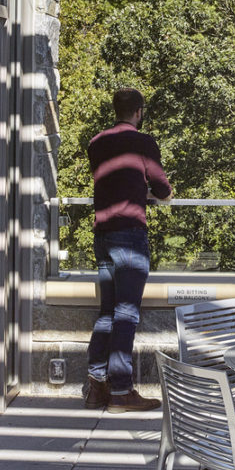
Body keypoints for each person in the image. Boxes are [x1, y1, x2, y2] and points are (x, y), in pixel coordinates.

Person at [84, 87, 171, 413]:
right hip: (130, 236)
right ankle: (121, 391)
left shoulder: (96, 143)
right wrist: (152, 189)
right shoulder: (143, 142)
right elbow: (162, 188)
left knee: (107, 312)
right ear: (138, 112)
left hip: (102, 236)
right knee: (126, 314)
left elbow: (108, 180)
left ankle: (96, 387)